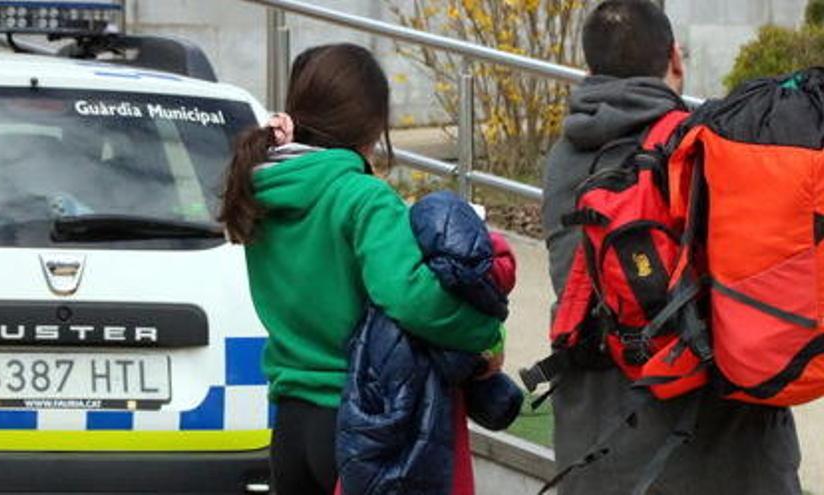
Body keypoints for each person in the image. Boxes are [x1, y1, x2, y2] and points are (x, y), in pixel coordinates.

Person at [218, 43, 503, 495]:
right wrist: (484, 337)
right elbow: (410, 295)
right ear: (373, 125)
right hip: (358, 423)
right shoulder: (362, 197)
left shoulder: (262, 187)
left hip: (290, 422)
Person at [542, 1, 802, 494]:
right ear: (675, 60)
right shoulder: (713, 150)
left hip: (599, 450)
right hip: (729, 457)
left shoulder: (562, 162)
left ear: (590, 71)